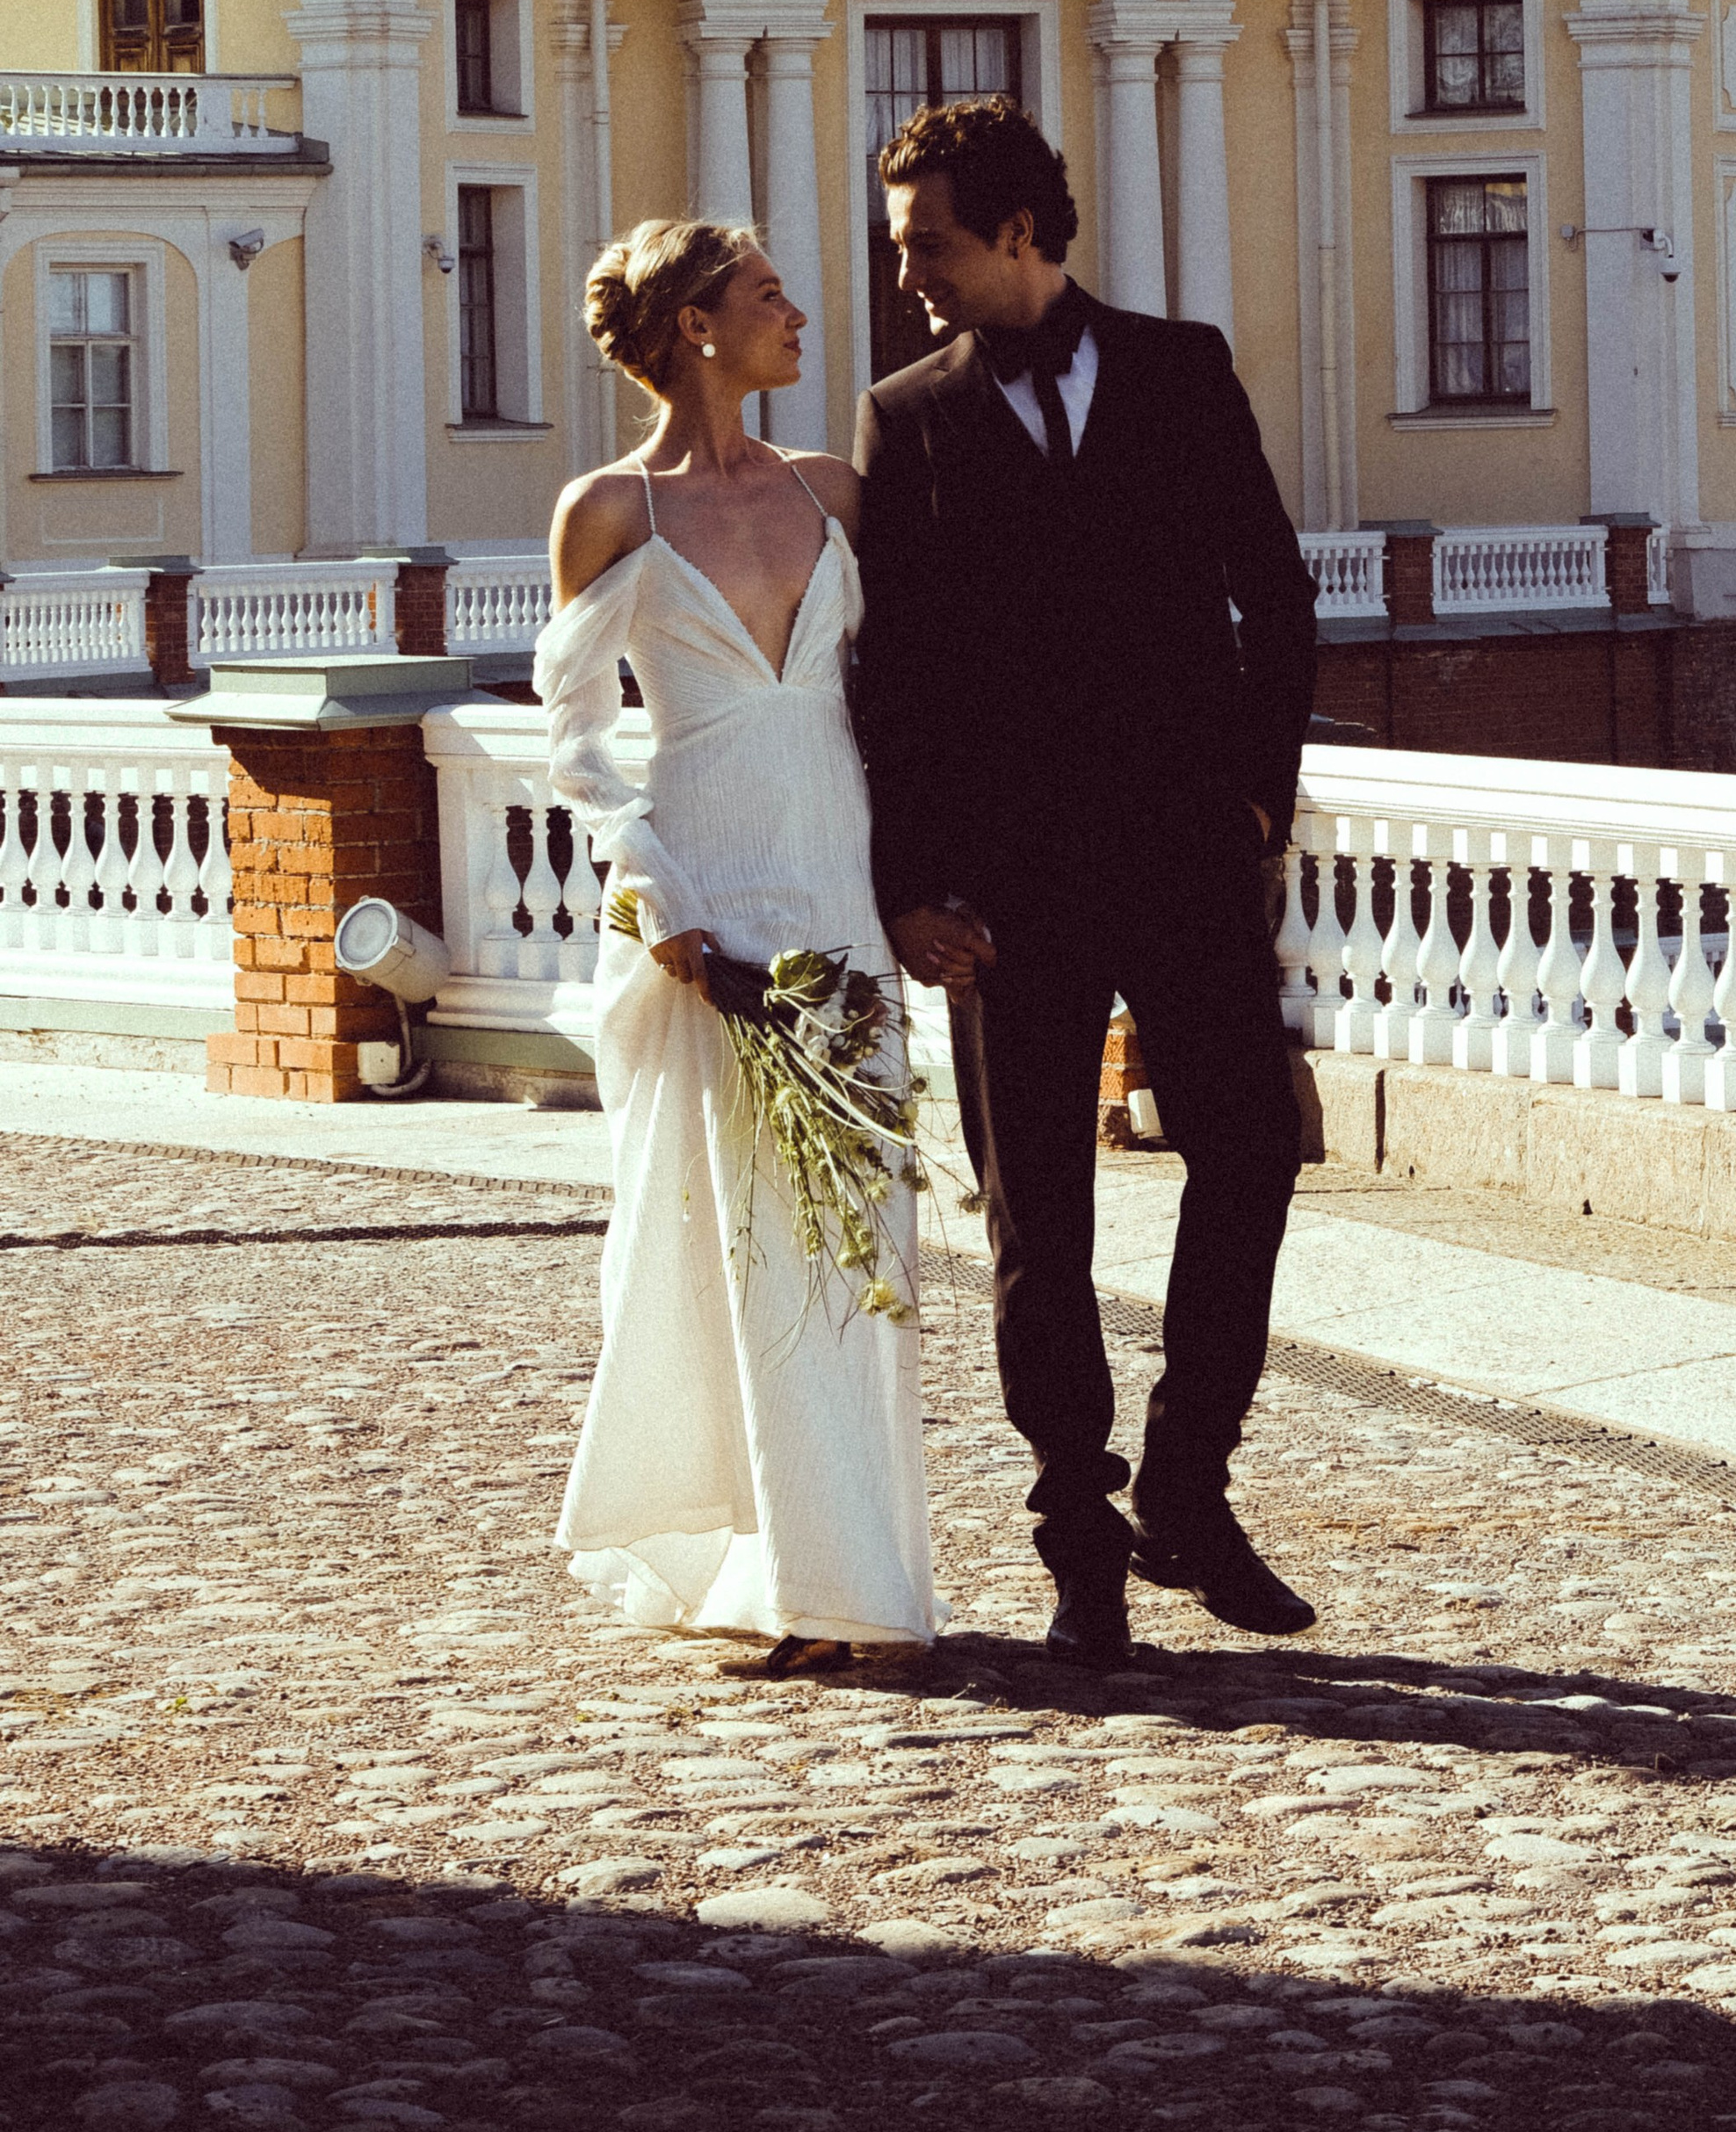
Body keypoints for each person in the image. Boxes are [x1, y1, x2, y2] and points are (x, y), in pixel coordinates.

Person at [853, 98, 1320, 1669]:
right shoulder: (905, 412)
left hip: (1189, 852)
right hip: (1009, 889)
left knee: (1249, 1150)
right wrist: (912, 882)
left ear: (1020, 233)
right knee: (1036, 1216)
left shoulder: (1186, 369)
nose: (905, 270)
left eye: (926, 243)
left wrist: (1262, 789)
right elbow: (894, 671)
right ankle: (1080, 1535)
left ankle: (1191, 1485)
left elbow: (1275, 586)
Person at [533, 216, 937, 1667]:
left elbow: (907, 701)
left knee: (853, 1233)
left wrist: (923, 883)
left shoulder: (837, 492)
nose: (799, 311)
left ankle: (861, 1577)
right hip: (708, 895)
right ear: (697, 325)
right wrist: (661, 900)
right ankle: (774, 1572)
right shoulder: (612, 513)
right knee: (732, 1243)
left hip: (832, 878)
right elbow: (577, 747)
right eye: (769, 293)